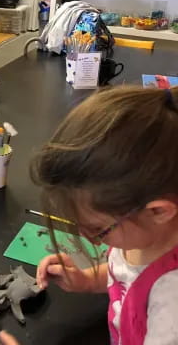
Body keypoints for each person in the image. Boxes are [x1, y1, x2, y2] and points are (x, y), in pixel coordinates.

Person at [30, 86, 178, 344]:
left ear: (158, 211)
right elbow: (125, 274)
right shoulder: (140, 232)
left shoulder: (171, 304)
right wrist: (87, 280)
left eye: (99, 230)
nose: (93, 240)